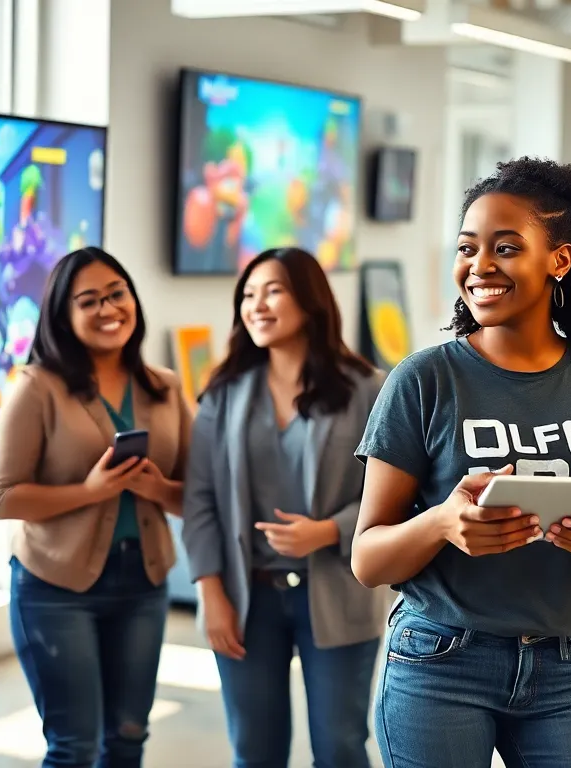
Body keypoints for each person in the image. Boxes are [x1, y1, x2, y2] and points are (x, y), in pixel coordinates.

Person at [351, 157, 571, 768]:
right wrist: (443, 523)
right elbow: (367, 559)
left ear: (559, 259)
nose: (479, 267)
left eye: (505, 247)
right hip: (440, 659)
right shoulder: (423, 380)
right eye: (467, 248)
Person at [181, 247, 387, 768]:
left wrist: (329, 531)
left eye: (273, 290)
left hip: (338, 591)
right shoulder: (222, 394)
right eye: (248, 295)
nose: (258, 305)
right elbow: (200, 499)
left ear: (310, 301)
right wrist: (211, 595)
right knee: (254, 751)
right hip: (247, 597)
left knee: (340, 748)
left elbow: (399, 497)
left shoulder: (369, 388)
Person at [0, 246, 192, 768]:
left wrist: (156, 489)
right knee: (73, 747)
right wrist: (91, 491)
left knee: (127, 738)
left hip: (143, 584)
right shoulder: (35, 388)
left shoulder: (165, 386)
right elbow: (4, 497)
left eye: (116, 294)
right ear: (64, 315)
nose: (107, 309)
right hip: (55, 590)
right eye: (89, 301)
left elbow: (197, 494)